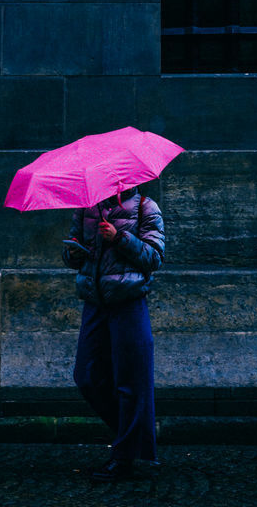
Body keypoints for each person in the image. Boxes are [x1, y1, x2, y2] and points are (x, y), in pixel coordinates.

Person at [62, 185, 165, 482]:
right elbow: (75, 256)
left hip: (128, 301)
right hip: (95, 303)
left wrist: (120, 238)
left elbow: (155, 258)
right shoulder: (86, 208)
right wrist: (72, 253)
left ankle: (123, 457)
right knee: (87, 375)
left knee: (130, 381)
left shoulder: (146, 207)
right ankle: (132, 435)